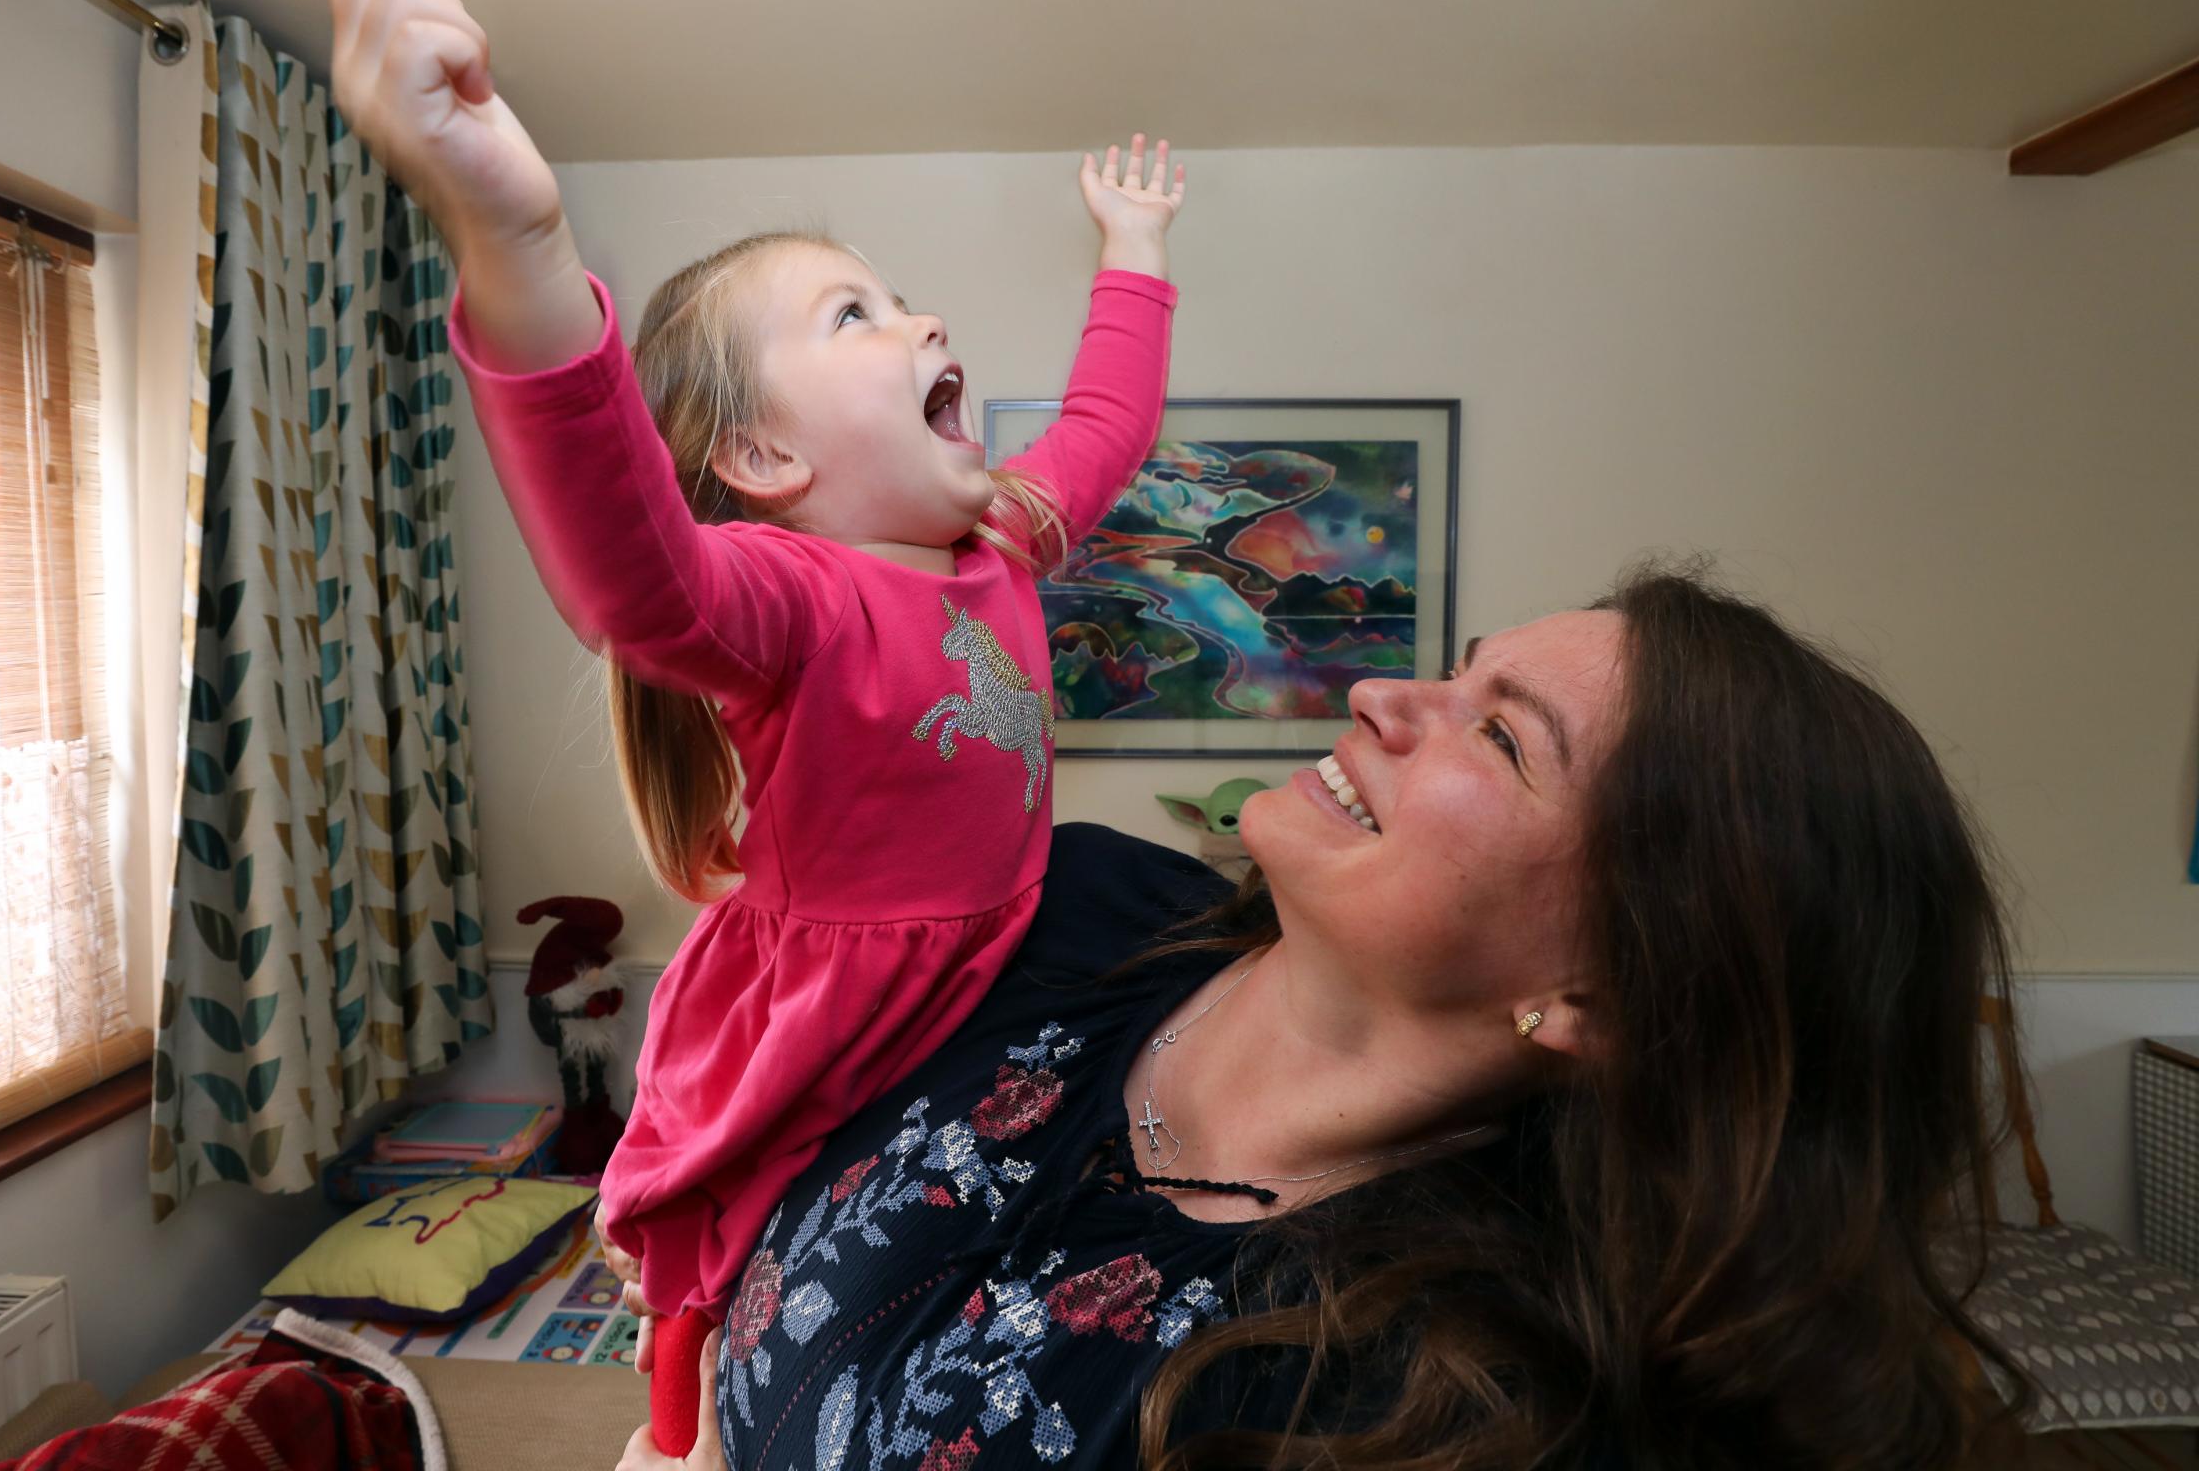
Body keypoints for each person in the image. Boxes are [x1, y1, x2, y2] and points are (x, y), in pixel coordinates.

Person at [326, 0, 1186, 1453]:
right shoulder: (798, 599)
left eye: (903, 300)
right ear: (769, 463)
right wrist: (517, 242)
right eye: (855, 316)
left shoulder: (996, 541)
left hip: (996, 943)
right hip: (844, 990)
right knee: (735, 1238)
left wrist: (1137, 249)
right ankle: (673, 1432)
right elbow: (631, 579)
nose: (924, 323)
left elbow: (1108, 427)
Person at [607, 564, 2033, 1469]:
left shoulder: (1434, 1411)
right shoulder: (1071, 909)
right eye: (1463, 667)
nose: (1378, 695)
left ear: (1600, 993)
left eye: (1500, 734)